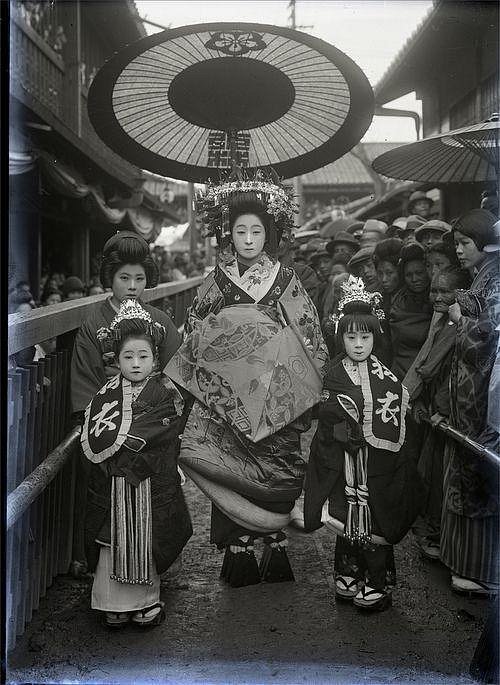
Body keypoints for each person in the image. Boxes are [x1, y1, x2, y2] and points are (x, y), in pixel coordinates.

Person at [165, 169, 328, 587]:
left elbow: (310, 336)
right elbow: (196, 335)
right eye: (241, 231)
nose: (250, 239)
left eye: (257, 231)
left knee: (276, 464)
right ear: (229, 235)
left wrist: (306, 385)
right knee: (229, 463)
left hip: (278, 393)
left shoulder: (286, 281)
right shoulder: (216, 282)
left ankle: (274, 542)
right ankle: (237, 547)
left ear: (269, 234)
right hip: (227, 397)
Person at [304, 276, 422, 611]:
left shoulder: (388, 379)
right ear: (341, 336)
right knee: (344, 517)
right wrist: (338, 430)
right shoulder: (333, 372)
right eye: (351, 336)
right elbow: (325, 411)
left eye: (365, 336)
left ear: (375, 337)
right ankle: (348, 572)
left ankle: (377, 581)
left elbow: (396, 422)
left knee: (375, 517)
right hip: (343, 461)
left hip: (375, 466)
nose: (358, 344)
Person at [70, 230, 181, 576]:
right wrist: (102, 426)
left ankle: (154, 571)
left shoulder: (159, 321)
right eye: (123, 278)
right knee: (106, 503)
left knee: (157, 500)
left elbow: (176, 374)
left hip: (153, 425)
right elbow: (87, 380)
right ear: (109, 278)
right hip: (109, 423)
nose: (132, 286)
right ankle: (107, 576)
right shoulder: (92, 325)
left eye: (139, 278)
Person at [81, 299, 192, 628]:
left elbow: (166, 427)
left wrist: (131, 448)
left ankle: (145, 601)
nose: (136, 363)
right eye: (127, 357)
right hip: (116, 479)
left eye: (143, 356)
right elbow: (100, 432)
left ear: (156, 358)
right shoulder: (108, 392)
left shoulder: (164, 392)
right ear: (116, 360)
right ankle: (109, 601)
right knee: (112, 538)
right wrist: (114, 455)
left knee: (144, 535)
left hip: (148, 476)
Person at [441, 208, 499, 596]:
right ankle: (469, 567)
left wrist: (461, 318)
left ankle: (476, 568)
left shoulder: (493, 279)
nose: (459, 251)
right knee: (471, 466)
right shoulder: (483, 277)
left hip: (482, 391)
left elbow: (488, 333)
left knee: (479, 469)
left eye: (464, 243)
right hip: (470, 391)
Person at [403, 268, 471, 560]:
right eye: (434, 291)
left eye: (446, 291)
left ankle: (443, 539)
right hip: (430, 411)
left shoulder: (460, 327)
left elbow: (447, 373)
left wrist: (441, 409)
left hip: (448, 414)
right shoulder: (439, 323)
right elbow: (425, 365)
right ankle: (434, 534)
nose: (438, 297)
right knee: (428, 474)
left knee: (442, 481)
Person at [389, 242, 433, 380]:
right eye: (409, 275)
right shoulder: (398, 301)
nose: (414, 279)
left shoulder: (437, 300)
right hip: (399, 372)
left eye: (419, 273)